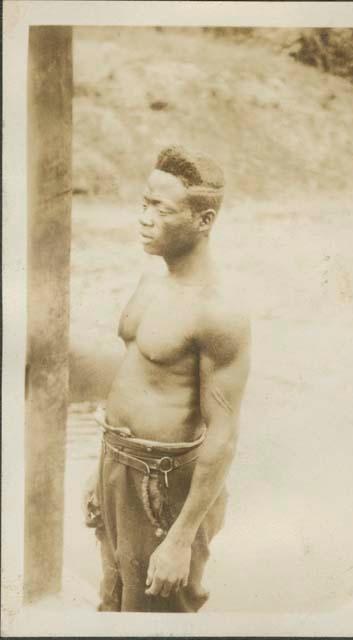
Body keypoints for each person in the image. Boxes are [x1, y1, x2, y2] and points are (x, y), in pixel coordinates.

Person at [83, 145, 251, 612]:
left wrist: (182, 538)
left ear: (204, 220)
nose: (144, 218)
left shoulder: (219, 312)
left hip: (166, 485)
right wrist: (99, 474)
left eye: (161, 209)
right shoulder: (148, 282)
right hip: (116, 463)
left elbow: (223, 434)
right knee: (114, 604)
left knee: (158, 615)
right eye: (143, 203)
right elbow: (135, 380)